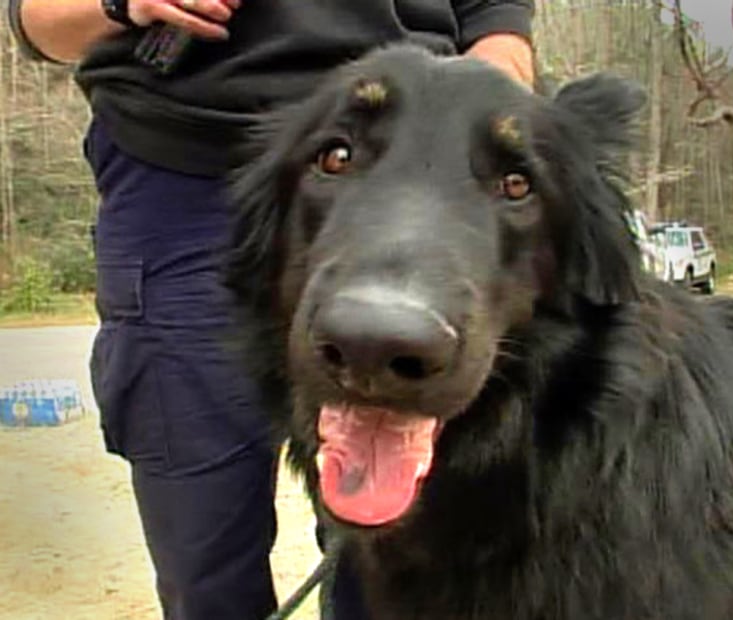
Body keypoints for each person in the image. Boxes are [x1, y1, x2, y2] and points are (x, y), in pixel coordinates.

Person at [8, 1, 535, 618]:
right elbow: (39, 22)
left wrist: (485, 115)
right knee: (203, 563)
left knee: (399, 578)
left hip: (407, 178)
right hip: (181, 179)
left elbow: (498, 23)